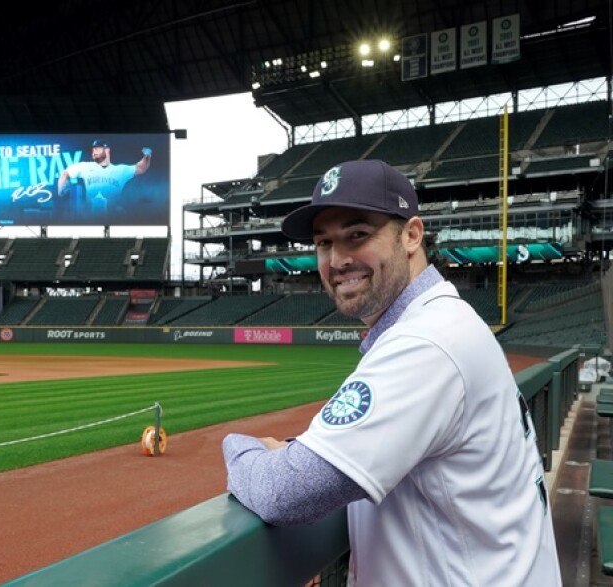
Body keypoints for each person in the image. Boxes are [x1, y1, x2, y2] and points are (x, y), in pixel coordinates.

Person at [222, 159, 561, 586]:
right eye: (324, 242)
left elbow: (284, 493)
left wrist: (239, 448)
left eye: (357, 235)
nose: (338, 258)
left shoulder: (427, 341)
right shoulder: (442, 321)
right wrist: (296, 452)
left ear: (412, 236)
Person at [56, 139, 152, 215]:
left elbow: (141, 168)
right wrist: (61, 188)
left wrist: (147, 155)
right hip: (90, 218)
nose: (94, 152)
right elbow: (65, 173)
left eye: (97, 148)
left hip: (113, 218)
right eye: (92, 150)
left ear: (107, 149)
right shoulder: (85, 166)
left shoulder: (120, 170)